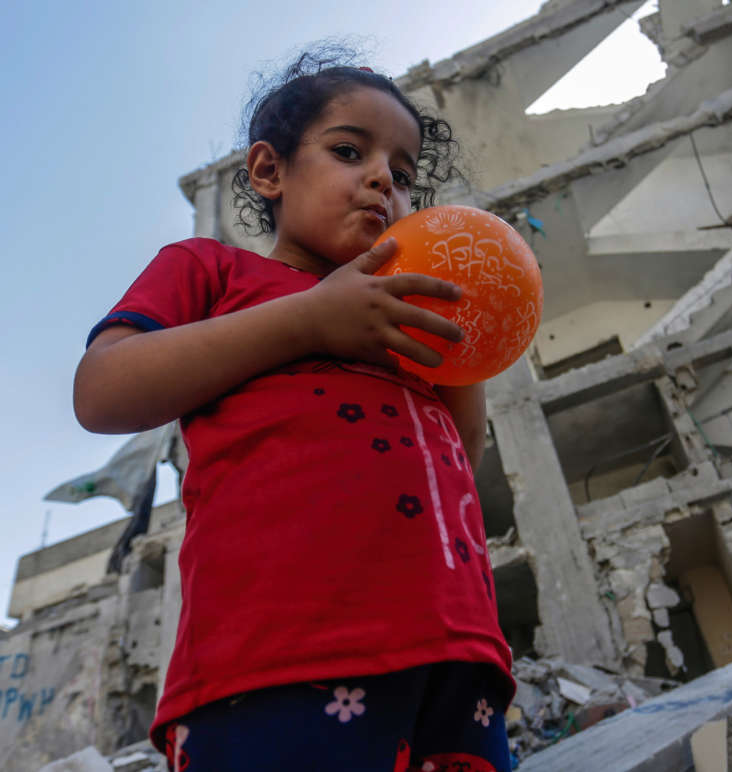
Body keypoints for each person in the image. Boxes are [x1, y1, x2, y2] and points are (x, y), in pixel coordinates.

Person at [73, 50, 514, 772]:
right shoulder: (211, 270)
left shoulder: (404, 318)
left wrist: (468, 355)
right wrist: (309, 321)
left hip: (456, 660)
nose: (382, 180)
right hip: (273, 667)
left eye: (403, 176)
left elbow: (460, 460)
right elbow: (102, 391)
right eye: (349, 151)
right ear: (269, 171)